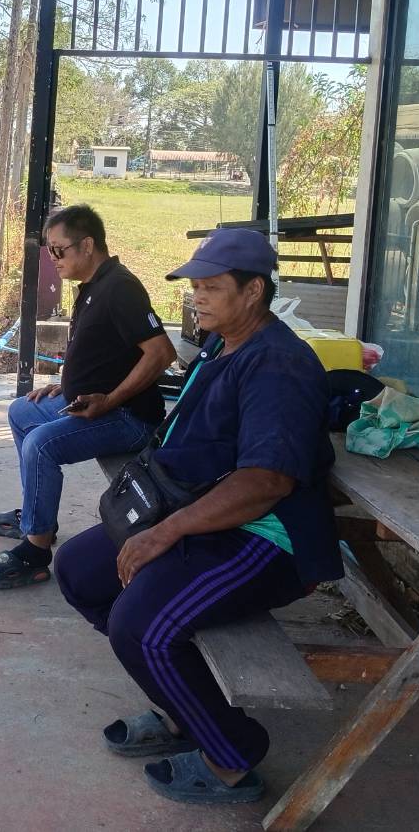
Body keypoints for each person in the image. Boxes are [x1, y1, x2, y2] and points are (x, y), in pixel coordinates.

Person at [53, 229, 342, 805]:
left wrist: (165, 532)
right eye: (194, 287)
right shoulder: (221, 342)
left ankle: (232, 753)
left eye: (211, 288)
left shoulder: (277, 365)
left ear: (253, 291)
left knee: (142, 626)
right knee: (78, 570)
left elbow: (265, 482)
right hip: (198, 508)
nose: (197, 298)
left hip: (267, 534)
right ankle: (185, 708)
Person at [0, 205, 175, 588]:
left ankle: (35, 553)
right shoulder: (93, 286)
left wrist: (110, 400)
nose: (52, 258)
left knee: (41, 444)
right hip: (94, 402)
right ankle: (37, 517)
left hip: (130, 417)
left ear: (87, 245)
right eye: (49, 250)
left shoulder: (121, 288)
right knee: (22, 412)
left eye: (58, 250)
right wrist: (67, 386)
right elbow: (104, 353)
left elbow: (161, 354)